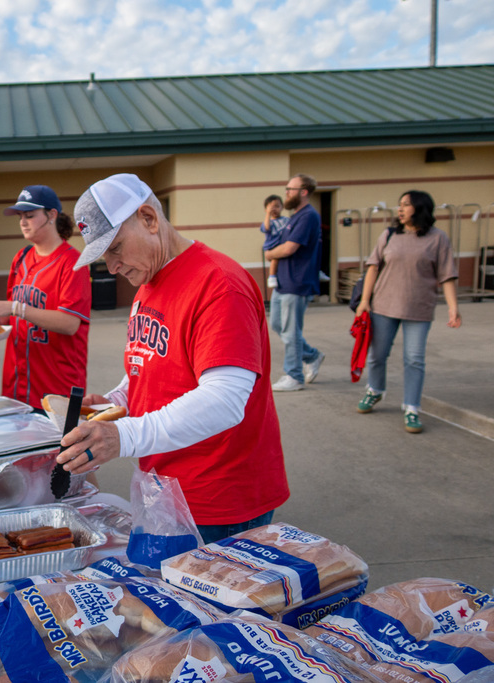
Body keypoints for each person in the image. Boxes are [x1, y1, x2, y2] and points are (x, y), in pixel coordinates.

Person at [53, 173, 288, 545]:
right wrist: (116, 403)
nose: (112, 267)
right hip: (164, 490)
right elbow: (147, 367)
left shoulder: (219, 284)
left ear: (148, 218)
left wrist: (122, 436)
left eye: (115, 249)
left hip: (218, 499)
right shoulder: (148, 282)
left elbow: (224, 400)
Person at [354, 190, 461, 434]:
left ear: (420, 208)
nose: (400, 209)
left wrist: (453, 309)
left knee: (414, 359)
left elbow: (447, 276)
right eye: (399, 205)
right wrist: (364, 301)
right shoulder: (390, 235)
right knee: (377, 355)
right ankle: (375, 391)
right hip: (383, 305)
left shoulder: (438, 238)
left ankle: (411, 407)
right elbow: (372, 268)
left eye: (406, 205)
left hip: (419, 308)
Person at [0, 185, 91, 410]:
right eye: (20, 216)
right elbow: (12, 313)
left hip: (56, 388)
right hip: (16, 384)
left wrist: (16, 308)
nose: (23, 221)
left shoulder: (72, 263)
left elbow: (70, 323)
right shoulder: (20, 258)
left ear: (52, 215)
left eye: (30, 215)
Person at [264, 174, 325, 392]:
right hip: (284, 281)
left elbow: (290, 248)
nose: (287, 192)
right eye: (287, 188)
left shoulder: (308, 216)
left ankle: (294, 375)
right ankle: (312, 355)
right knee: (278, 325)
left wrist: (270, 254)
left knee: (291, 331)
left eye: (291, 188)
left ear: (304, 192)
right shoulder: (295, 217)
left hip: (297, 282)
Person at [260, 194, 287, 291]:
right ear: (266, 209)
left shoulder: (285, 220)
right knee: (275, 259)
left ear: (282, 207)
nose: (274, 209)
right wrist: (268, 214)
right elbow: (266, 228)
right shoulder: (269, 222)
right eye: (271, 207)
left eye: (277, 206)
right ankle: (272, 276)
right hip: (273, 246)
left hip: (283, 244)